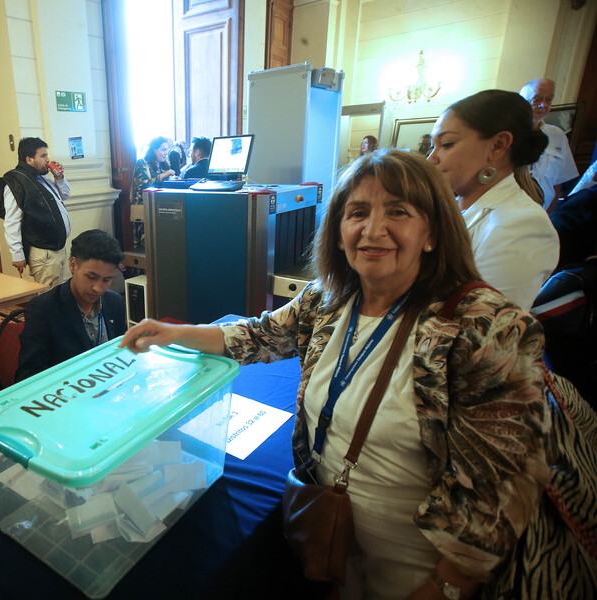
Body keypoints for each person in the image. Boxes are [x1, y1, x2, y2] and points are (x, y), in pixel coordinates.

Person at [120, 149, 549, 600]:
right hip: (333, 536)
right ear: (339, 231)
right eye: (357, 212)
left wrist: (446, 585)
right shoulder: (328, 298)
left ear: (432, 233)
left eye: (398, 212)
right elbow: (260, 335)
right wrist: (176, 332)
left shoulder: (487, 328)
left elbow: (502, 492)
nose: (373, 229)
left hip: (420, 564)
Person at [428, 89, 559, 309]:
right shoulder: (451, 209)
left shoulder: (522, 225)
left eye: (447, 144)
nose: (431, 159)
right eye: (433, 146)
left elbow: (484, 327)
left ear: (498, 145)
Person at [16, 229, 127, 381]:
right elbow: (28, 374)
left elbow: (122, 353)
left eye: (106, 280)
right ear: (73, 265)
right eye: (91, 277)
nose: (98, 288)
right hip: (67, 393)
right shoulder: (43, 308)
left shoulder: (115, 302)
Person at [0, 137, 71, 288]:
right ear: (29, 159)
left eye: (47, 155)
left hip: (58, 248)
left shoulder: (42, 178)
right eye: (43, 156)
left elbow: (65, 195)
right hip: (43, 253)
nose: (48, 160)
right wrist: (17, 255)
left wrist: (59, 178)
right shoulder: (16, 181)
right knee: (47, 300)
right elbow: (12, 221)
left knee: (56, 296)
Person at [519, 78, 578, 211]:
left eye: (549, 100)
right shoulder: (506, 134)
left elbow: (557, 183)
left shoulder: (558, 136)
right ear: (522, 100)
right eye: (537, 99)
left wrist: (547, 216)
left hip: (541, 213)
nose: (543, 105)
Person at [130, 136, 174, 249]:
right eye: (163, 150)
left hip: (161, 210)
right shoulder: (142, 163)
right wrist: (165, 175)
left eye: (167, 150)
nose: (166, 153)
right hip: (145, 211)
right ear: (154, 150)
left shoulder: (163, 166)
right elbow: (144, 185)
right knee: (146, 247)